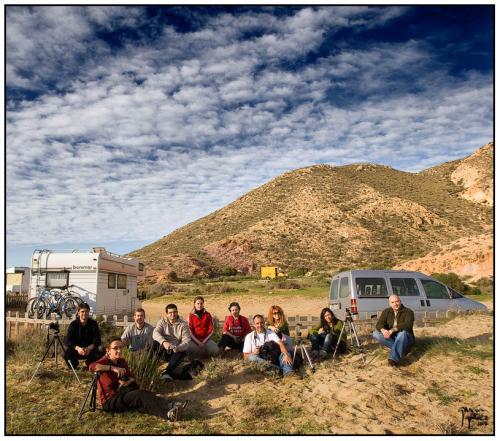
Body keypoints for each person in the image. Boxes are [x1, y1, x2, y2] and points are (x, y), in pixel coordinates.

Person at [89, 336, 188, 421]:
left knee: (141, 404)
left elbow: (132, 377)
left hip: (123, 392)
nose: (119, 350)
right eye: (115, 348)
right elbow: (92, 366)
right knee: (140, 394)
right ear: (108, 350)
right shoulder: (104, 361)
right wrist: (112, 368)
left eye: (121, 347)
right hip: (111, 401)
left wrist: (128, 382)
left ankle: (168, 414)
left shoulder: (122, 361)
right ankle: (170, 405)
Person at [372, 294, 415, 366]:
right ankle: (402, 349)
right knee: (376, 334)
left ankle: (393, 360)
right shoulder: (386, 311)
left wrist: (392, 330)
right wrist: (383, 330)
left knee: (402, 333)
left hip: (406, 337)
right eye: (392, 302)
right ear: (390, 303)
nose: (395, 304)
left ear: (400, 301)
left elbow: (407, 325)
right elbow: (379, 324)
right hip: (392, 337)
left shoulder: (408, 312)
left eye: (397, 301)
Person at [153, 304, 192, 381]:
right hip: (164, 348)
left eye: (174, 312)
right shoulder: (162, 322)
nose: (173, 314)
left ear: (177, 312)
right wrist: (164, 342)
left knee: (182, 351)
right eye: (170, 312)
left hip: (176, 350)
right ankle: (150, 366)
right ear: (167, 314)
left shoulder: (183, 324)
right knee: (154, 343)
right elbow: (155, 333)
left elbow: (187, 341)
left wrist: (178, 347)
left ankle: (167, 373)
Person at [64, 302, 103, 369]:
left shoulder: (93, 324)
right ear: (78, 313)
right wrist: (78, 348)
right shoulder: (73, 324)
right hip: (77, 350)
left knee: (101, 349)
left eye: (87, 311)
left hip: (90, 350)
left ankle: (89, 364)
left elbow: (98, 339)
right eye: (82, 311)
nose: (84, 313)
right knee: (65, 352)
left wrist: (89, 348)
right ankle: (74, 365)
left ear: (89, 312)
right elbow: (68, 340)